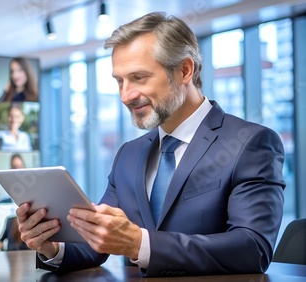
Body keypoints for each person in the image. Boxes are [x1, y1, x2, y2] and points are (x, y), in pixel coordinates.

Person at [15, 12, 285, 277]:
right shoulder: (128, 155)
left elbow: (253, 248)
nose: (126, 95)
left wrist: (140, 244)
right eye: (119, 81)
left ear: (184, 70)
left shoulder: (250, 143)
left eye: (139, 78)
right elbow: (95, 246)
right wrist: (51, 246)